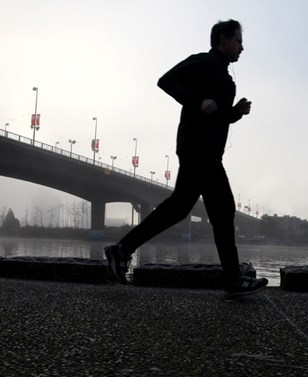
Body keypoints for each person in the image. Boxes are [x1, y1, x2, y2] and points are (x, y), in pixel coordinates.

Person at [105, 19, 268, 299]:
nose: (242, 47)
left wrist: (235, 113)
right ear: (222, 40)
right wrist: (196, 101)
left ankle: (121, 250)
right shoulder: (203, 62)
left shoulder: (225, 77)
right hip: (198, 149)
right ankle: (232, 280)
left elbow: (216, 117)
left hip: (206, 150)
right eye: (238, 41)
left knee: (179, 207)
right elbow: (166, 81)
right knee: (224, 210)